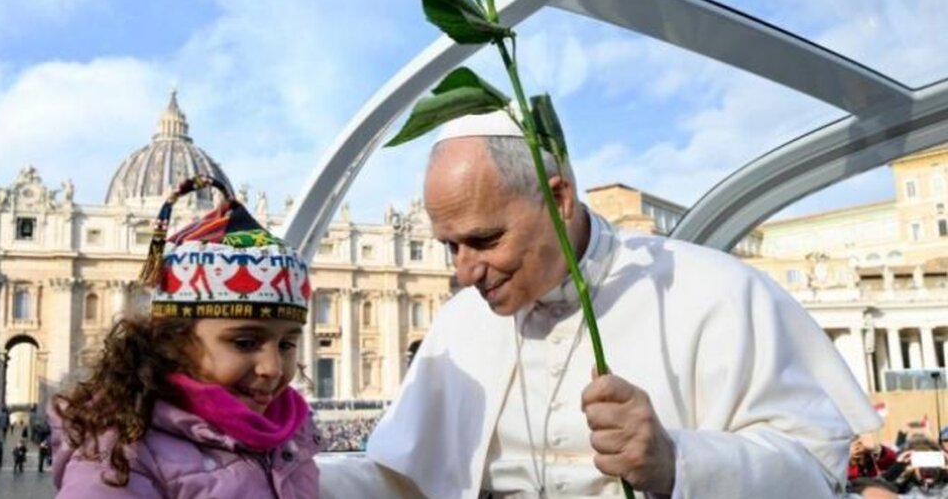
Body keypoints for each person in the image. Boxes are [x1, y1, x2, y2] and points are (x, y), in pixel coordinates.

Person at [317, 110, 880, 498]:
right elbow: (404, 483)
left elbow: (814, 478)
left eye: (485, 241)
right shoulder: (460, 322)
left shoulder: (716, 291)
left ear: (558, 198)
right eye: (450, 246)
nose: (463, 274)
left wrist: (677, 461)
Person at [50, 175, 319, 498]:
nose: (273, 368)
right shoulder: (118, 458)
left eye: (287, 344)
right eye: (244, 342)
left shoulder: (293, 436)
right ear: (171, 340)